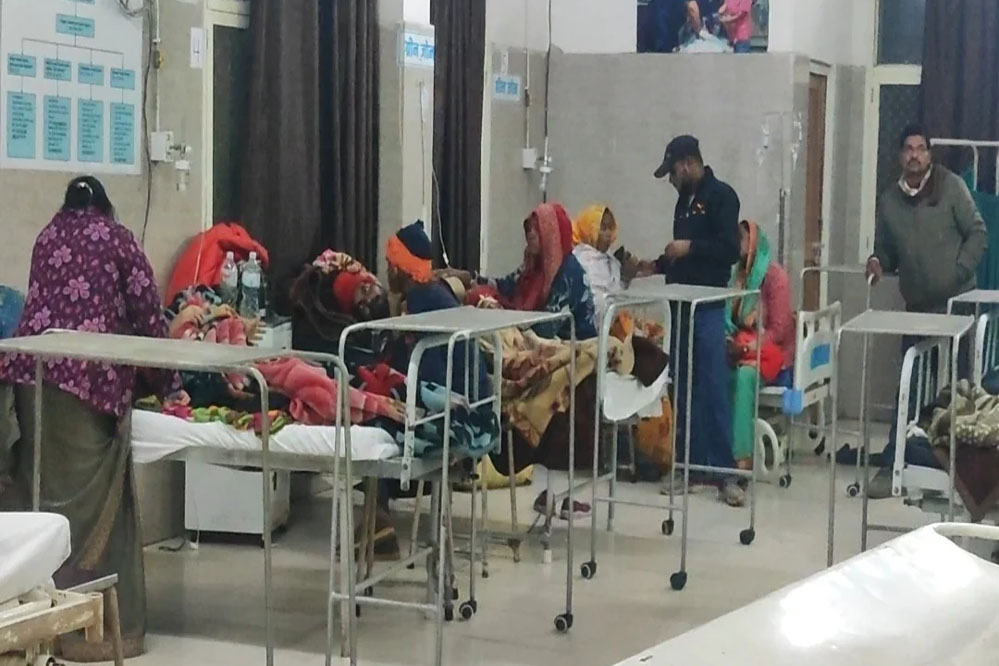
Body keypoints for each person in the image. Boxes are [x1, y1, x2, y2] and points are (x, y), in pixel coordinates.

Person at [0, 176, 181, 659]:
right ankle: (92, 635)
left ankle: (41, 623)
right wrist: (171, 385)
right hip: (85, 383)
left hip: (28, 378)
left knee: (43, 502)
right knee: (92, 510)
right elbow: (149, 319)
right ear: (106, 208)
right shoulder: (118, 238)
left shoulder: (47, 235)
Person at [866, 124, 988, 498]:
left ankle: (967, 473)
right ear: (899, 156)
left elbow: (978, 233)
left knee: (961, 390)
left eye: (921, 148)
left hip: (957, 306)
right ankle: (895, 463)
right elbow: (886, 250)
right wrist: (877, 261)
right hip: (918, 308)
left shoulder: (951, 187)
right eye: (908, 149)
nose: (915, 155)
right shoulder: (889, 201)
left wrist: (958, 272)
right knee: (910, 387)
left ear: (929, 155)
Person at [651, 134, 744, 506]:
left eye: (673, 173)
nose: (672, 181)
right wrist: (653, 266)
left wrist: (689, 247)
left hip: (706, 307)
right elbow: (680, 257)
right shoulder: (683, 203)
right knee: (684, 389)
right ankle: (688, 465)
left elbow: (729, 250)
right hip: (680, 306)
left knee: (712, 388)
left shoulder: (722, 197)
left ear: (688, 164)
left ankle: (725, 473)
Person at [455, 203, 598, 340]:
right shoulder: (534, 265)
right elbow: (506, 285)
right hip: (540, 336)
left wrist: (499, 314)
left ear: (552, 235)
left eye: (538, 229)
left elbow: (546, 328)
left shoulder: (569, 273)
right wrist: (470, 278)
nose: (530, 234)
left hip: (572, 345)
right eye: (529, 229)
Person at [726, 220, 794, 468]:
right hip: (742, 345)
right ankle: (717, 447)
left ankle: (741, 457)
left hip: (772, 352)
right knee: (713, 369)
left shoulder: (775, 277)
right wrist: (728, 339)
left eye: (742, 239)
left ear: (754, 243)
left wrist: (749, 348)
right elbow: (729, 316)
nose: (737, 245)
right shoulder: (737, 275)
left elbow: (779, 330)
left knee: (744, 376)